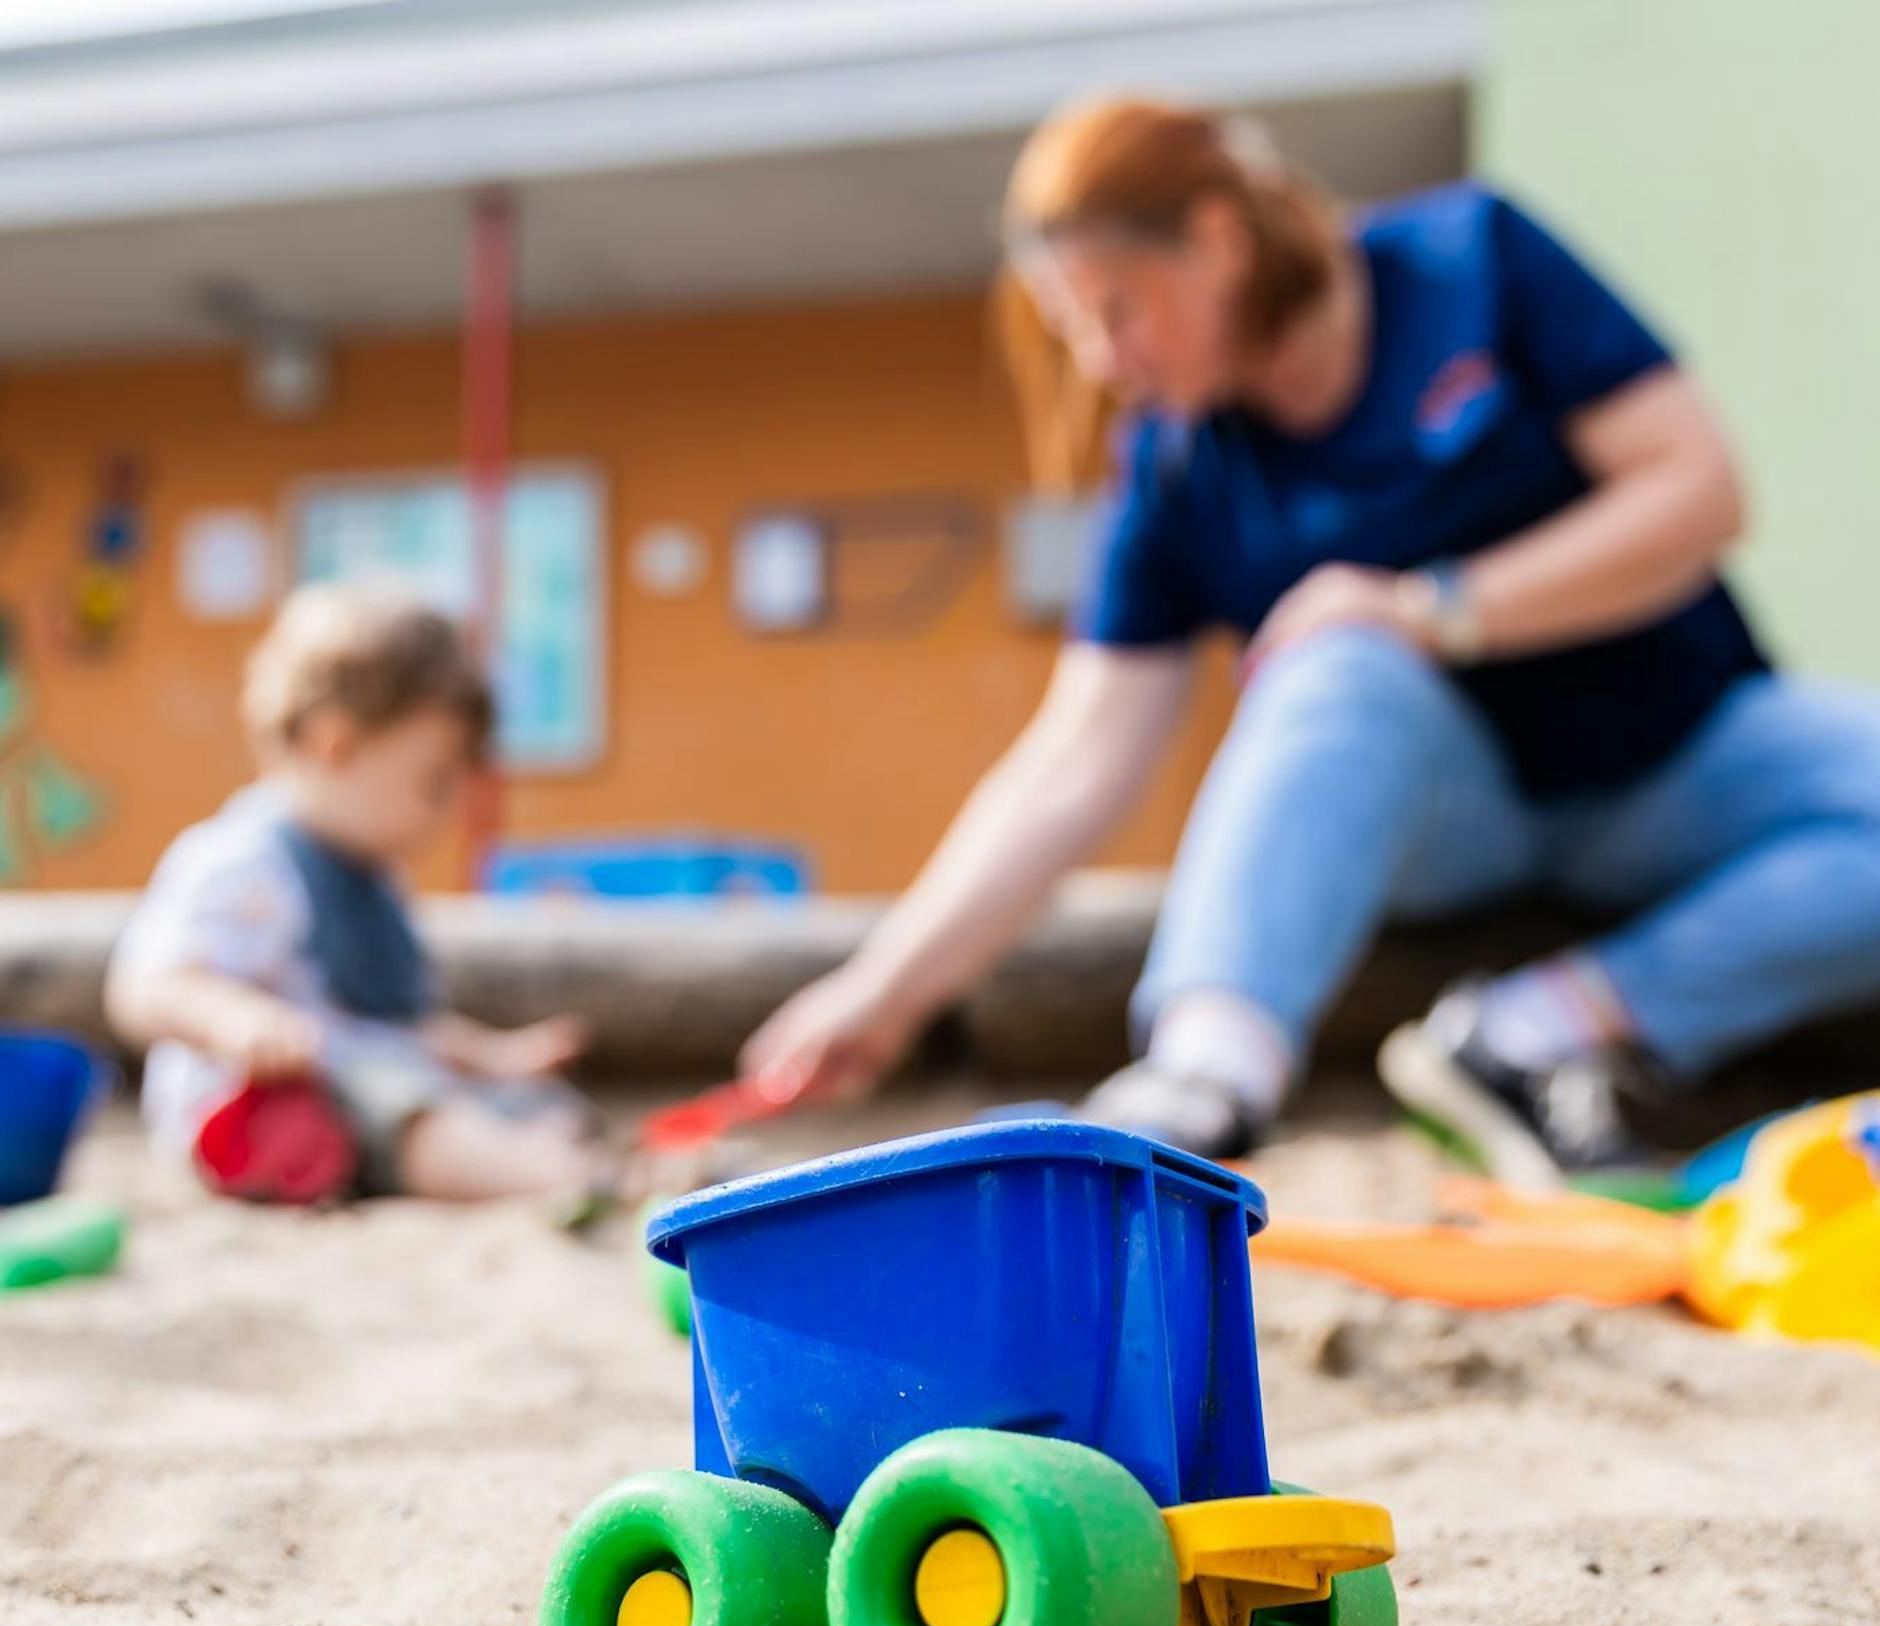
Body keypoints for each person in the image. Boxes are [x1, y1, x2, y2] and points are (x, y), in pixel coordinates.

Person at [742, 96, 1880, 1184]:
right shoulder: (1175, 460)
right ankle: (1205, 1071)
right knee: (1333, 661)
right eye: (1072, 326)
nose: (1098, 358)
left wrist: (1432, 606)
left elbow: (1695, 491)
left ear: (1216, 237)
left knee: (1356, 623)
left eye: (1114, 309)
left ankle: (1542, 1029)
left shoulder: (1472, 260)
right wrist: (881, 989)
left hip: (1675, 753)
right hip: (1446, 822)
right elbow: (1076, 756)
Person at [108, 582, 603, 1204]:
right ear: (336, 744)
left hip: (381, 1085)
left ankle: (544, 1154)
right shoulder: (244, 859)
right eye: (431, 783)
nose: (445, 811)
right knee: (408, 1110)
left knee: (532, 1102)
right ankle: (551, 1176)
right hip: (263, 1114)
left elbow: (401, 1024)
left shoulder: (376, 877)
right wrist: (235, 1019)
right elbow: (144, 986)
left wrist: (494, 1057)